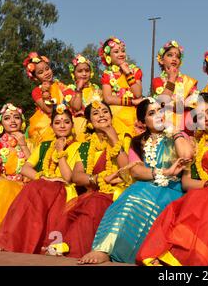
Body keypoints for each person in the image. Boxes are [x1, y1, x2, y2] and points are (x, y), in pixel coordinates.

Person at [135, 92, 208, 266]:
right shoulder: (196, 143)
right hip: (205, 191)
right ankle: (168, 253)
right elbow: (186, 182)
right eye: (200, 116)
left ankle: (178, 258)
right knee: (182, 203)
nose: (206, 119)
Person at [77, 97, 193, 264]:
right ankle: (104, 249)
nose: (158, 115)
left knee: (149, 202)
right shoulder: (138, 141)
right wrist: (163, 172)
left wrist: (174, 130)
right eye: (152, 113)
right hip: (146, 184)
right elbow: (135, 170)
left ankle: (151, 253)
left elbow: (186, 156)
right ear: (143, 122)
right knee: (128, 200)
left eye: (160, 111)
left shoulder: (177, 135)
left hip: (172, 188)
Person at [42, 100, 132, 258]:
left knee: (95, 202)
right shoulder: (85, 146)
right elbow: (77, 175)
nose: (101, 115)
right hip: (94, 191)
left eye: (105, 112)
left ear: (111, 116)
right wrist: (98, 179)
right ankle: (66, 246)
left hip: (118, 191)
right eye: (96, 113)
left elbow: (127, 170)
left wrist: (113, 139)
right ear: (90, 122)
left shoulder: (125, 138)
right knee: (85, 204)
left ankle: (72, 250)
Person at [0, 105, 80, 253]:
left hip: (62, 187)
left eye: (66, 122)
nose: (62, 125)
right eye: (57, 122)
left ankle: (11, 243)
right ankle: (5, 241)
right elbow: (25, 168)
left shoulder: (80, 146)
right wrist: (42, 177)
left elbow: (68, 177)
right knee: (35, 188)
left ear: (72, 125)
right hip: (41, 184)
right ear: (51, 126)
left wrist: (60, 151)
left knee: (35, 188)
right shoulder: (44, 145)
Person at [0, 104, 31, 248]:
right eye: (7, 118)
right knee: (4, 186)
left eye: (17, 117)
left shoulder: (32, 144)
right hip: (5, 188)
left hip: (28, 186)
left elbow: (36, 168)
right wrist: (11, 185)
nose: (13, 121)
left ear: (22, 122)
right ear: (0, 123)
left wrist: (23, 145)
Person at [99, 37, 143, 136]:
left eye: (123, 51)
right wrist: (131, 101)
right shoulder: (107, 75)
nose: (121, 54)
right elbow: (108, 98)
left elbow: (138, 93)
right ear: (108, 56)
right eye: (116, 51)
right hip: (116, 118)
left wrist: (128, 73)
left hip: (134, 117)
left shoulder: (135, 71)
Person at [151, 40, 198, 132]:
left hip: (185, 127)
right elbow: (162, 102)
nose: (174, 58)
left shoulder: (188, 81)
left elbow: (195, 103)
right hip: (165, 126)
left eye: (177, 56)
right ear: (161, 60)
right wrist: (172, 78)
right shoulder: (157, 81)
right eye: (170, 55)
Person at [23, 52, 67, 149]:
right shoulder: (36, 91)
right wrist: (45, 92)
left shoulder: (61, 86)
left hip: (64, 121)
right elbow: (48, 110)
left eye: (47, 69)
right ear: (35, 77)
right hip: (46, 125)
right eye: (40, 72)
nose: (46, 73)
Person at [64, 54, 103, 142]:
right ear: (73, 74)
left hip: (96, 126)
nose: (84, 74)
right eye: (80, 71)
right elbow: (77, 107)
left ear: (91, 72)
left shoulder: (96, 89)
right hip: (78, 127)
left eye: (87, 70)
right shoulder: (69, 90)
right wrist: (78, 89)